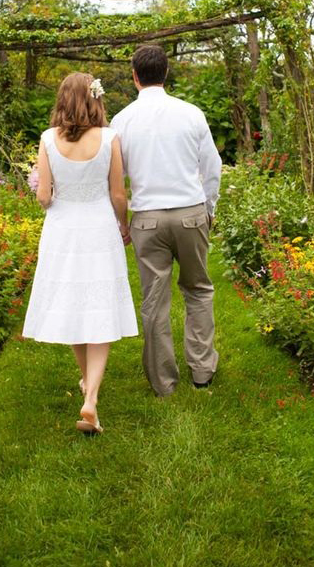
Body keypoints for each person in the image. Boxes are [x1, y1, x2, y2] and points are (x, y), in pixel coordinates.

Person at [22, 72, 138, 434]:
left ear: (63, 99)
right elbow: (118, 194)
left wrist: (53, 195)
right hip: (99, 226)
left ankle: (87, 382)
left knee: (73, 303)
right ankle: (91, 397)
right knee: (100, 304)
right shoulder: (109, 138)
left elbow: (44, 196)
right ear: (95, 99)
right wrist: (124, 224)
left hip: (62, 230)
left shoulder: (46, 139)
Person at [110, 45, 222, 397]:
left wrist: (122, 223)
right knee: (199, 290)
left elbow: (116, 178)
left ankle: (163, 382)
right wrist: (210, 208)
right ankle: (202, 370)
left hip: (147, 220)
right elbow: (212, 167)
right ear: (166, 73)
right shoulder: (191, 114)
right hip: (190, 213)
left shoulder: (122, 120)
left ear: (134, 76)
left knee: (154, 300)